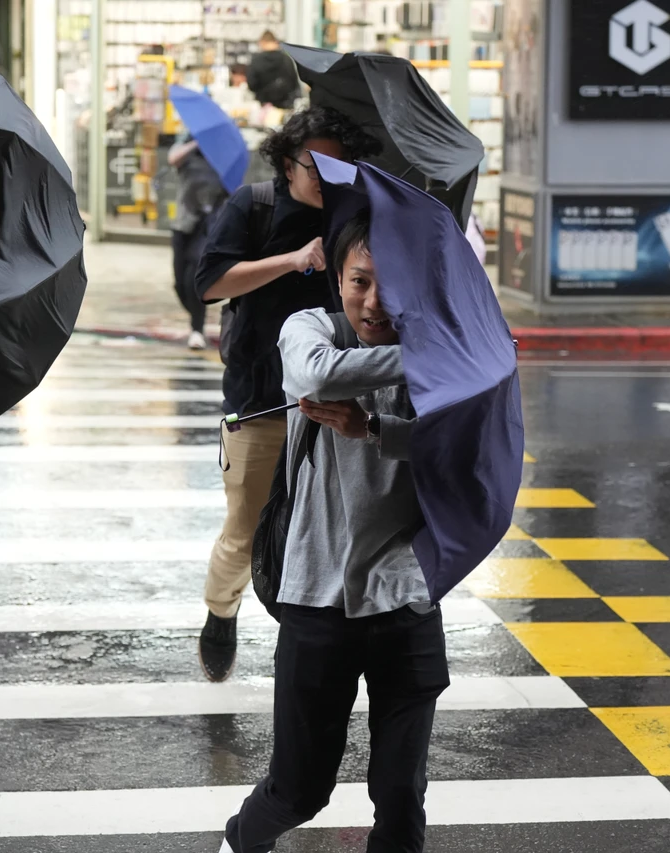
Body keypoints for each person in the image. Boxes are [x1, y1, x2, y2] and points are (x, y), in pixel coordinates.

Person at [219, 211, 445, 853]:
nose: (374, 303)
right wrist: (431, 357)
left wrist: (372, 428)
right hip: (317, 594)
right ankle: (239, 842)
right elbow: (316, 375)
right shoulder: (310, 328)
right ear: (339, 280)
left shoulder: (441, 348)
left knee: (402, 794)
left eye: (393, 285)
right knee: (299, 789)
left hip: (406, 594)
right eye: (360, 282)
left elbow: (459, 449)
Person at [193, 107, 381, 681]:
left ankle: (310, 640)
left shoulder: (364, 213)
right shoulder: (255, 206)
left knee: (335, 525)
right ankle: (221, 610)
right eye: (314, 164)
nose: (326, 175)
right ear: (286, 161)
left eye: (338, 164)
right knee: (247, 525)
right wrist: (293, 260)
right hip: (263, 398)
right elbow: (209, 285)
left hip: (341, 398)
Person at [168, 136, 228, 349]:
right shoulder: (187, 145)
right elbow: (172, 158)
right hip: (183, 224)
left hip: (206, 228)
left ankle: (196, 329)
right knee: (179, 282)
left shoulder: (222, 158)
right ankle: (195, 315)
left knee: (193, 278)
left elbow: (231, 188)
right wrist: (198, 142)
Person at [246, 31, 300, 110]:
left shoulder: (256, 61)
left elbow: (251, 85)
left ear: (262, 42)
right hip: (285, 107)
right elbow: (294, 83)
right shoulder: (286, 59)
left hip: (264, 107)